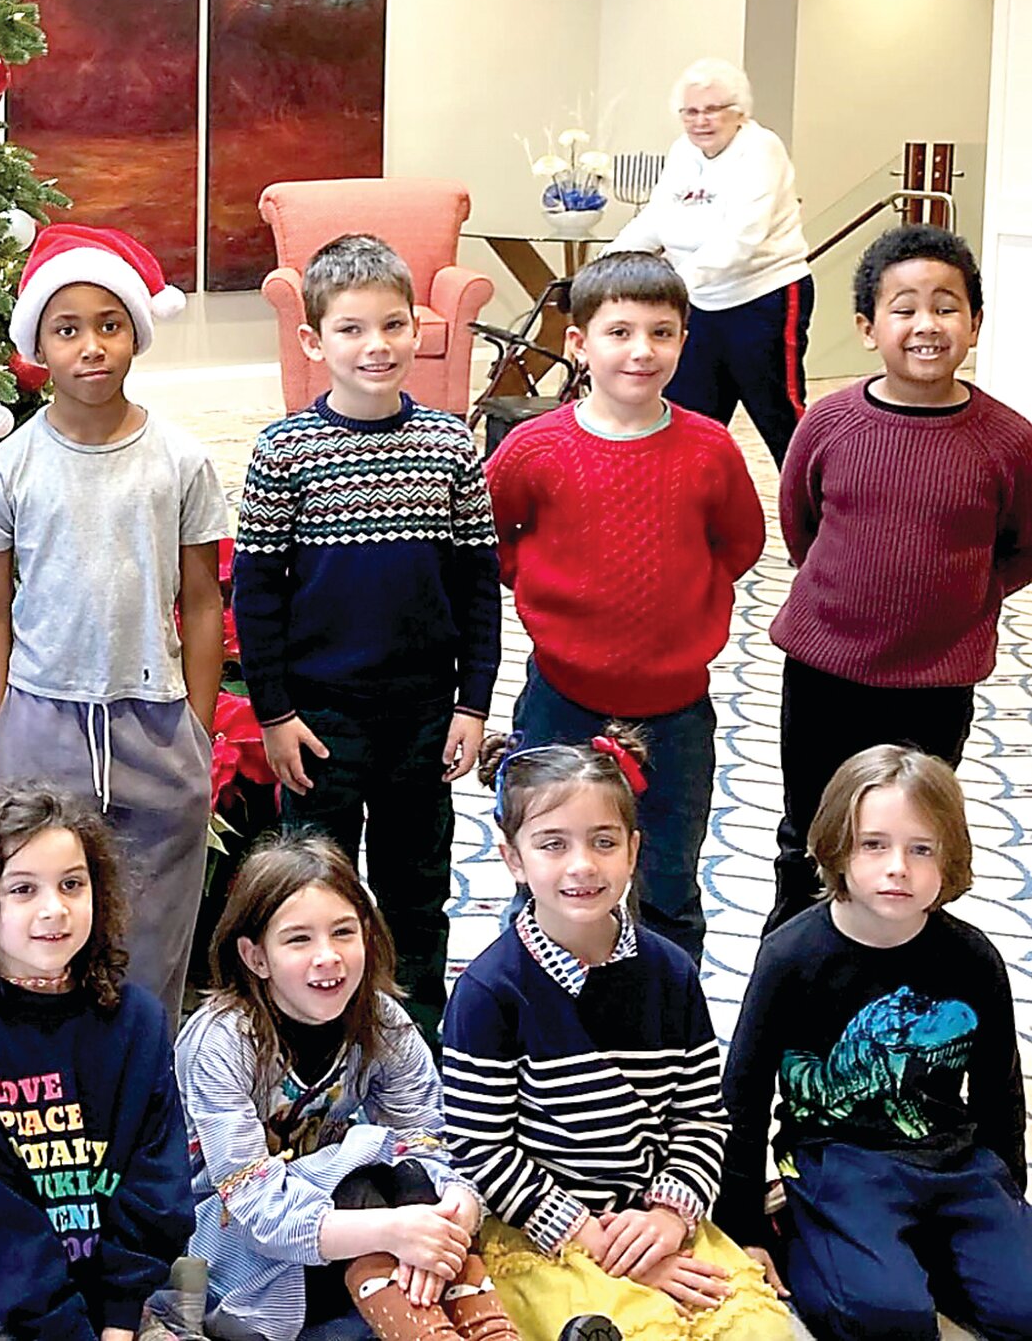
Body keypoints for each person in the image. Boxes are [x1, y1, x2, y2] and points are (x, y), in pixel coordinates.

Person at [232, 234, 501, 1048]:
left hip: (423, 713)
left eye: (391, 326)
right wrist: (274, 714)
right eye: (350, 330)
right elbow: (256, 593)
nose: (375, 347)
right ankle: (308, 1036)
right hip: (320, 720)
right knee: (311, 886)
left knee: (416, 884)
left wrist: (472, 704)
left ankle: (416, 1033)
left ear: (418, 329)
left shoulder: (450, 446)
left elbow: (475, 586)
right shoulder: (284, 451)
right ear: (314, 341)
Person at [441, 735, 793, 1341]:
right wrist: (596, 1240)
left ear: (632, 850)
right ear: (513, 858)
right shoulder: (490, 992)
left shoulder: (670, 972)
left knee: (762, 1330)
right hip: (545, 1231)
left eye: (604, 842)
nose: (583, 865)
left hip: (654, 1212)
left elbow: (702, 1117)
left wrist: (667, 1215)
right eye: (554, 844)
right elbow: (481, 1151)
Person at [0, 223, 227, 1027]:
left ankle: (147, 1070)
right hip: (41, 719)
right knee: (39, 911)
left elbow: (203, 600)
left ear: (136, 334)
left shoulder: (180, 461)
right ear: (38, 345)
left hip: (153, 718)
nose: (90, 347)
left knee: (153, 923)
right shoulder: (7, 470)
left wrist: (198, 725)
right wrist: (0, 729)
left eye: (108, 325)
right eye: (67, 329)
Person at [486, 251, 764, 964]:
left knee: (667, 878)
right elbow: (489, 534)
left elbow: (738, 544)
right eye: (619, 332)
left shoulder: (709, 449)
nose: (641, 350)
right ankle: (541, 1017)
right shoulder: (533, 448)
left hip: (674, 711)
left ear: (682, 340)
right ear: (579, 343)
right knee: (549, 871)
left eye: (661, 332)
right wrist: (542, 586)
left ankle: (666, 1027)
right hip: (561, 700)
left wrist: (676, 605)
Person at [763, 223, 1032, 935]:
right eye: (903, 306)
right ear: (865, 326)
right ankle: (790, 958)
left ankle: (895, 963)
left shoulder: (1006, 441)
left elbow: (1021, 545)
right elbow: (801, 523)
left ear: (974, 322)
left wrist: (968, 597)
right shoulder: (829, 423)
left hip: (935, 684)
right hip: (825, 672)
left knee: (910, 836)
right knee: (810, 829)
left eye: (946, 306)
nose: (925, 324)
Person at [717, 745, 1032, 1340]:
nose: (898, 868)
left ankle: (918, 1252)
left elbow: (998, 1086)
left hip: (951, 1158)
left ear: (950, 859)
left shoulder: (973, 956)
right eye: (874, 844)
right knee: (888, 1320)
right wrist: (741, 1230)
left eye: (922, 849)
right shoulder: (791, 956)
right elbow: (744, 1093)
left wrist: (1007, 1201)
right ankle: (809, 1236)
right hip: (839, 1159)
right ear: (837, 845)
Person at [176, 834, 521, 1341]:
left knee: (405, 1174)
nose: (328, 957)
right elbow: (253, 1207)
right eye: (299, 939)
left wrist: (448, 1219)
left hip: (349, 1237)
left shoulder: (381, 1020)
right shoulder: (221, 1041)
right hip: (233, 1247)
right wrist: (397, 1232)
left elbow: (436, 1139)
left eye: (343, 932)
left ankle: (479, 1330)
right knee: (359, 1177)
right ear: (255, 957)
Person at [0, 780, 194, 1341]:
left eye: (72, 884)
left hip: (116, 1303)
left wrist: (116, 1317)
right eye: (22, 890)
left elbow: (157, 1185)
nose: (54, 909)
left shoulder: (137, 1020)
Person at [612, 57, 812, 467]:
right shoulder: (683, 152)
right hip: (698, 302)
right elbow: (655, 219)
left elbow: (742, 237)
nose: (700, 121)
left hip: (764, 295)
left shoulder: (761, 149)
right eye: (690, 111)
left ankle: (814, 519)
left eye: (712, 110)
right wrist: (606, 267)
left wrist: (673, 286)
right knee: (688, 415)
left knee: (777, 414)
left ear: (739, 112)